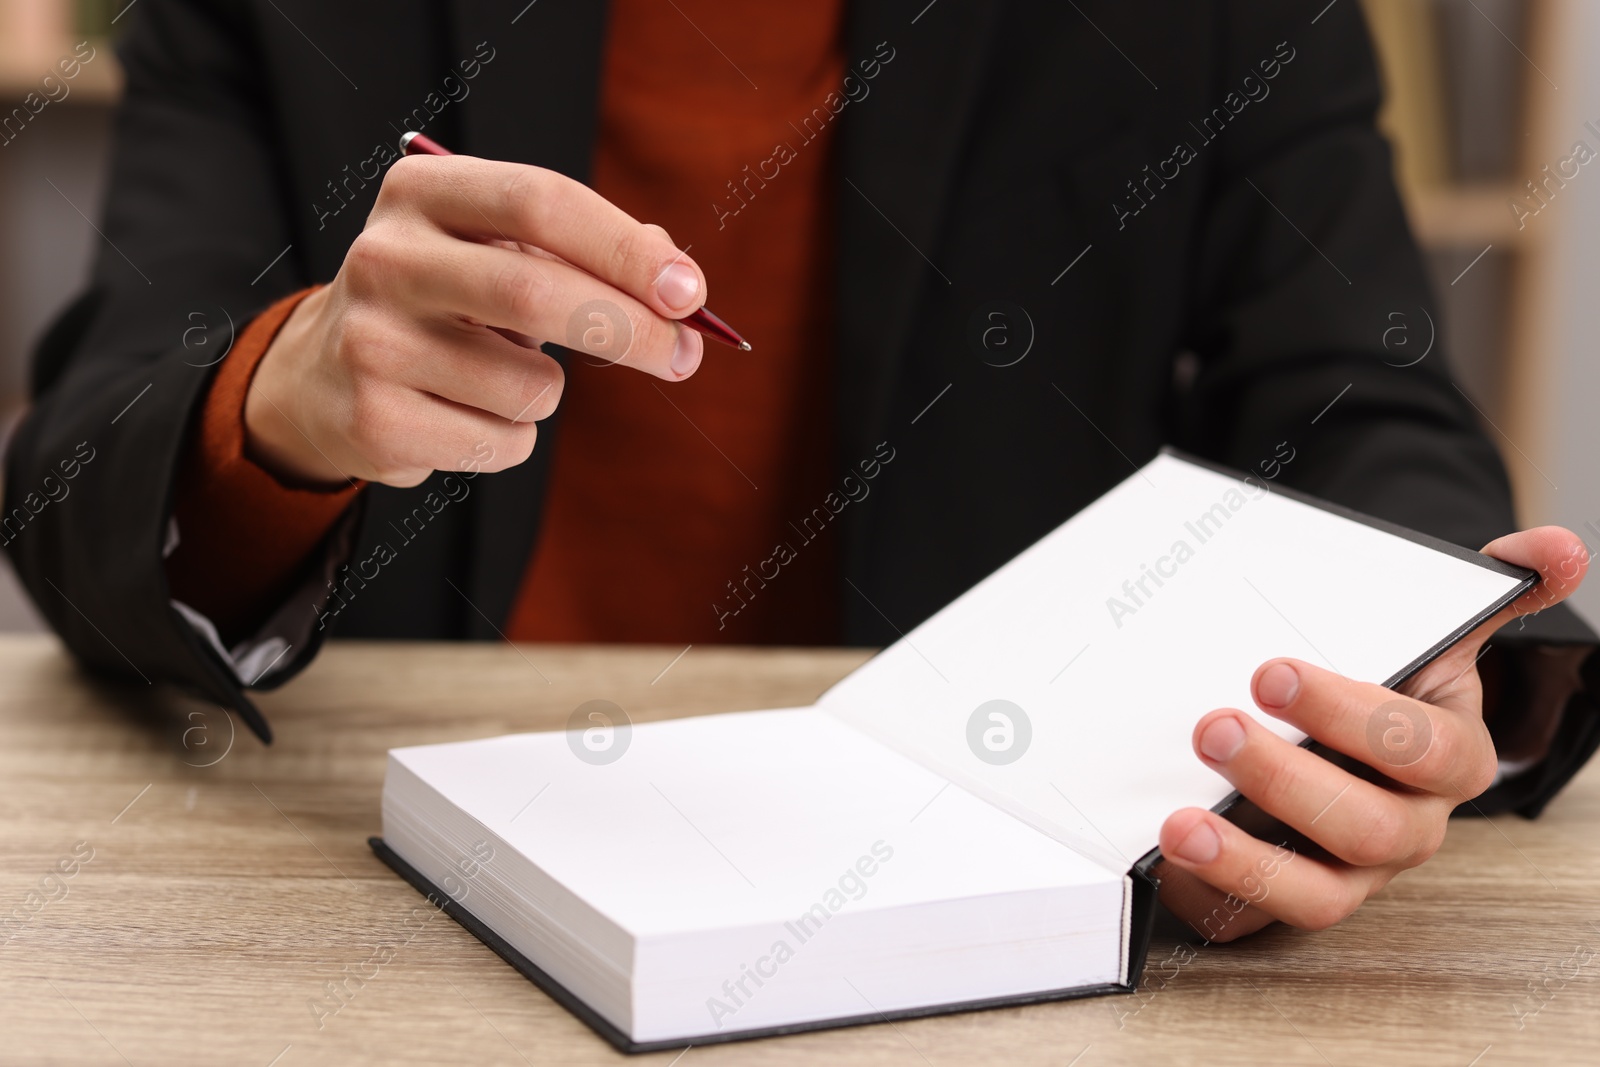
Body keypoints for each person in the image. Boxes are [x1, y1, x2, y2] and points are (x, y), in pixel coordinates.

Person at [4, 0, 1595, 942]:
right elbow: (77, 472)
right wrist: (275, 408)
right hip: (367, 893)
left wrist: (1415, 676)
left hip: (994, 910)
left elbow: (1369, 402)